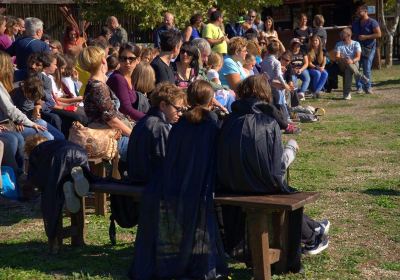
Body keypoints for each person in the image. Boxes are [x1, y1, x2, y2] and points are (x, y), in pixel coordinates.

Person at [216, 75, 330, 271]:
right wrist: (291, 150)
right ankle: (313, 233)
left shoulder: (228, 120)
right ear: (264, 94)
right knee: (284, 200)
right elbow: (276, 168)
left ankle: (315, 229)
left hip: (229, 183)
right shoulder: (268, 122)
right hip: (259, 185)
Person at [129, 80, 228, 279]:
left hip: (176, 183)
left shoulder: (180, 125)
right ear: (211, 101)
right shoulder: (212, 123)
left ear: (188, 99)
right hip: (202, 185)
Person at [25, 134, 90, 253]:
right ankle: (73, 179)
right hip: (79, 152)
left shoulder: (38, 153)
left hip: (59, 158)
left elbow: (34, 180)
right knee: (68, 177)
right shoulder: (57, 142)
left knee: (53, 190)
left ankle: (55, 240)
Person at [78, 46, 132, 161]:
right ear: (103, 60)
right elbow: (111, 119)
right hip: (110, 136)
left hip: (113, 132)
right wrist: (133, 135)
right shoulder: (97, 87)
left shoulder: (97, 83)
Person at [127, 82, 185, 184]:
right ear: (163, 105)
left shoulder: (143, 121)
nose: (180, 113)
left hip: (136, 179)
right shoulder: (160, 127)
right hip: (151, 183)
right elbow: (165, 163)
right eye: (178, 109)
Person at [0, 50, 50, 139]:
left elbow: (50, 102)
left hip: (29, 115)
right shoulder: (17, 76)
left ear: (43, 68)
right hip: (15, 117)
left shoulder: (46, 81)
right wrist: (18, 121)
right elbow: (9, 107)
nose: (32, 66)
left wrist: (39, 106)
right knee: (47, 136)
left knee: (45, 123)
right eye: (32, 62)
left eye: (37, 64)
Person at [107, 43, 145, 121]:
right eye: (123, 58)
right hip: (119, 126)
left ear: (138, 60)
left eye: (131, 58)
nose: (127, 62)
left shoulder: (128, 77)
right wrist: (148, 118)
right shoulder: (118, 79)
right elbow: (126, 109)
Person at [6, 17, 50, 82]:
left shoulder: (18, 41)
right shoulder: (43, 45)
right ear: (38, 32)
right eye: (42, 30)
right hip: (36, 79)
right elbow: (47, 65)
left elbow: (5, 54)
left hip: (19, 78)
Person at [352, 4, 381, 94]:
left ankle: (367, 87)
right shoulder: (356, 22)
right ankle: (359, 87)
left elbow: (379, 34)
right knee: (357, 68)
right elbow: (352, 33)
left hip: (369, 47)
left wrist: (366, 37)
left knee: (366, 67)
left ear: (365, 12)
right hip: (357, 48)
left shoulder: (372, 22)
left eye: (359, 11)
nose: (358, 13)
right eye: (357, 11)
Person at [334, 28, 368, 100]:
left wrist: (352, 61)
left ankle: (347, 94)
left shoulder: (356, 43)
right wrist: (343, 58)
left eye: (343, 34)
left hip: (354, 63)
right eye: (341, 34)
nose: (341, 36)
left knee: (348, 71)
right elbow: (337, 56)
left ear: (349, 35)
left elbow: (358, 57)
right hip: (342, 64)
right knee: (346, 62)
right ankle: (360, 76)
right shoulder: (339, 44)